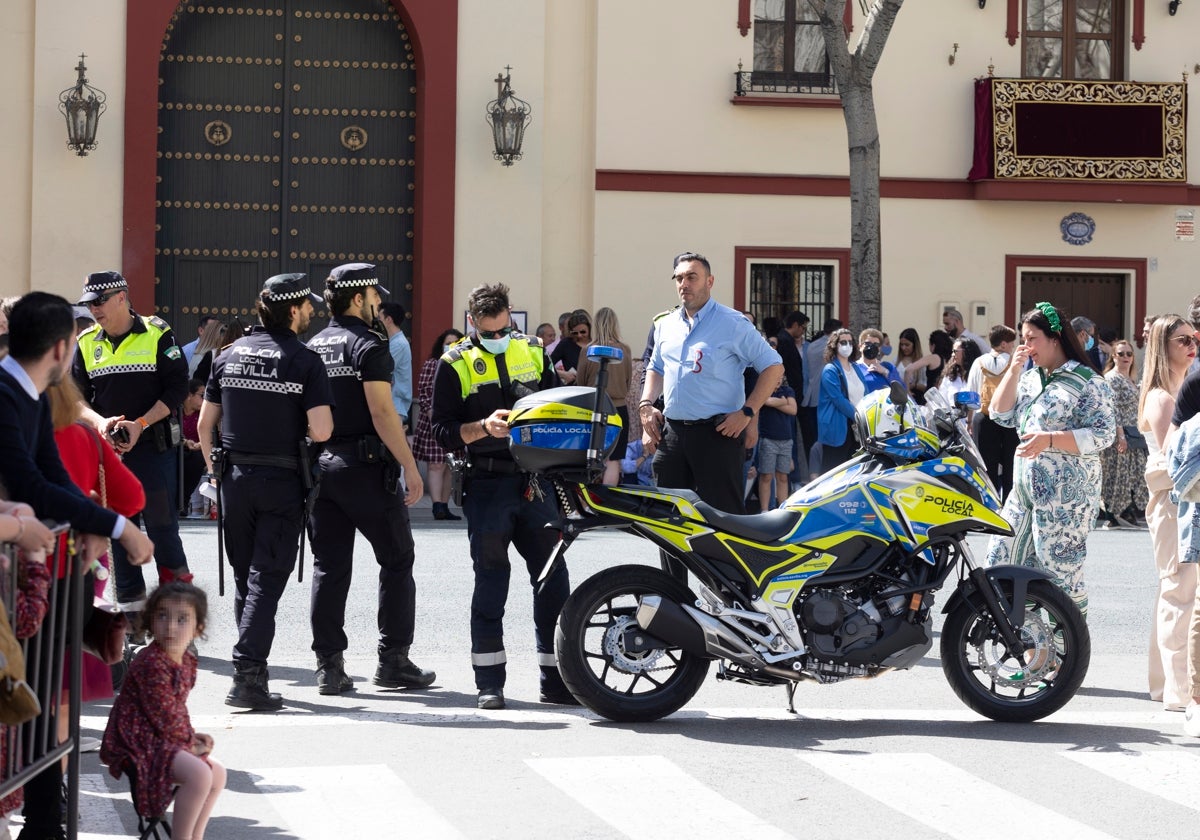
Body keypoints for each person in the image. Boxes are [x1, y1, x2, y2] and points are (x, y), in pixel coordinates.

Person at [0, 291, 153, 840]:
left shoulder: (31, 396)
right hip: (13, 572)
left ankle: (43, 824)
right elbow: (31, 485)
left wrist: (97, 521)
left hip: (33, 576)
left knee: (41, 709)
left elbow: (54, 483)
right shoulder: (6, 394)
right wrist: (120, 526)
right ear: (63, 348)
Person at [430, 282, 574, 711]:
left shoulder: (531, 349)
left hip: (534, 482)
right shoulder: (453, 363)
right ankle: (489, 683)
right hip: (486, 483)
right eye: (488, 333)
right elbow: (440, 431)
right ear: (471, 322)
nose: (498, 339)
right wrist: (480, 428)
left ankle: (557, 679)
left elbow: (556, 407)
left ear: (510, 315)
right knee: (491, 583)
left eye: (503, 330)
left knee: (553, 581)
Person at [198, 273, 334, 710]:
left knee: (246, 578)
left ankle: (250, 671)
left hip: (234, 480)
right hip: (281, 482)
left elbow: (204, 426)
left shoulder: (227, 355)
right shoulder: (305, 361)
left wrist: (214, 474)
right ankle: (248, 676)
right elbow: (322, 429)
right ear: (293, 310)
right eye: (308, 306)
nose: (313, 312)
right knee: (266, 580)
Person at [306, 263, 431, 696]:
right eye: (375, 295)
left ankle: (329, 667)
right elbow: (381, 412)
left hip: (323, 468)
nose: (379, 302)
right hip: (365, 468)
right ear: (359, 298)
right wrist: (410, 465)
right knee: (397, 560)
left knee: (330, 567)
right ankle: (393, 661)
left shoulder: (315, 345)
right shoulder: (370, 343)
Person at [74, 271, 191, 629]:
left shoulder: (158, 333)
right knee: (118, 531)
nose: (94, 310)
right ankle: (133, 623)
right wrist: (102, 422)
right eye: (89, 304)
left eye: (99, 302)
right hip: (109, 454)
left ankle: (179, 619)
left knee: (162, 529)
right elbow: (76, 400)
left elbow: (176, 391)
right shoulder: (85, 342)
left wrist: (139, 425)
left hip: (152, 451)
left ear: (122, 297)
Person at [985, 302, 1116, 615]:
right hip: (1024, 495)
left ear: (1054, 339)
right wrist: (1014, 370)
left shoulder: (1088, 381)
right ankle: (1031, 654)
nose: (1025, 346)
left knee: (1061, 578)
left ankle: (1066, 656)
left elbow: (1103, 433)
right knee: (1000, 563)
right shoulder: (1030, 378)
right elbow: (1000, 415)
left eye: (1032, 339)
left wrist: (1051, 440)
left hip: (1066, 501)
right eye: (1023, 338)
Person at [638, 252, 783, 517]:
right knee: (667, 520)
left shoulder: (733, 323)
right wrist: (646, 405)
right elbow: (655, 368)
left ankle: (724, 562)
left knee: (723, 520)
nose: (684, 284)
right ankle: (674, 562)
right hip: (673, 434)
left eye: (692, 277)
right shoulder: (665, 325)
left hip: (718, 435)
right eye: (679, 278)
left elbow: (773, 367)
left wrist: (748, 413)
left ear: (710, 281)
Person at [49, 374, 146, 751]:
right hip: (70, 571)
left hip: (24, 572)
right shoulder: (79, 437)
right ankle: (52, 795)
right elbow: (132, 497)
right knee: (58, 681)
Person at [100, 582, 226, 840]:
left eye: (182, 619)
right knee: (200, 774)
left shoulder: (186, 659)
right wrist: (189, 743)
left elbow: (176, 709)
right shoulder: (152, 662)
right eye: (162, 616)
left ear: (197, 628)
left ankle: (194, 836)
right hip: (135, 742)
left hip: (157, 736)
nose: (170, 627)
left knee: (217, 772)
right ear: (150, 621)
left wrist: (191, 736)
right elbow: (164, 715)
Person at [1139, 315, 1195, 714]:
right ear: (1164, 346)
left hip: (1180, 499)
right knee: (1177, 591)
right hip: (1173, 500)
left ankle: (1162, 684)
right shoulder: (1161, 397)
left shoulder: (1181, 387)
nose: (1193, 344)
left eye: (1195, 338)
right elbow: (1174, 460)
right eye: (1183, 340)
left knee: (1174, 591)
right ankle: (1176, 689)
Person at [413, 328, 465, 521]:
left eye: (454, 343)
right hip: (433, 422)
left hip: (455, 421)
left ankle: (445, 505)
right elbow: (424, 391)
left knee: (451, 465)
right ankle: (437, 506)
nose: (449, 346)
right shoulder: (432, 363)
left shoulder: (463, 363)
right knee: (436, 465)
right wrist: (431, 413)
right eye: (447, 342)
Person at [576, 307, 632, 485]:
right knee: (613, 460)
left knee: (589, 457)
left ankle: (586, 504)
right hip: (619, 409)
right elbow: (628, 382)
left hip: (593, 409)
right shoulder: (625, 350)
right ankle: (609, 504)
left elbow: (580, 383)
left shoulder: (588, 350)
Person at [1098, 339, 1148, 529]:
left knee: (1134, 475)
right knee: (1117, 476)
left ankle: (1128, 512)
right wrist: (1120, 436)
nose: (1126, 357)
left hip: (1134, 435)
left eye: (1129, 353)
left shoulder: (1130, 378)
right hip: (1120, 435)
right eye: (1121, 353)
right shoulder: (1112, 378)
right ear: (1113, 356)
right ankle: (1114, 515)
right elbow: (1113, 408)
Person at [968, 325, 1019, 500]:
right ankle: (1010, 504)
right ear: (1004, 344)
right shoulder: (1015, 362)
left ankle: (990, 503)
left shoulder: (979, 362)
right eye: (1012, 343)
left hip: (984, 418)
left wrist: (969, 422)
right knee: (1011, 465)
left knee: (986, 466)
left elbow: (972, 394)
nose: (1013, 347)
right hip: (1010, 418)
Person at [817, 328, 867, 474]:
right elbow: (838, 399)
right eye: (843, 342)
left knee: (854, 470)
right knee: (833, 471)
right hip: (838, 426)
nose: (847, 346)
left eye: (850, 342)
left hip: (857, 427)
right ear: (834, 345)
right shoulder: (830, 369)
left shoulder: (856, 368)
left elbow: (866, 392)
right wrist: (858, 416)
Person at [755, 378, 797, 509]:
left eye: (780, 376)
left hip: (786, 440)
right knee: (766, 476)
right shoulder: (764, 390)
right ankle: (764, 510)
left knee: (783, 477)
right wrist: (784, 401)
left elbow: (793, 409)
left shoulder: (788, 390)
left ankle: (782, 508)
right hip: (768, 439)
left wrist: (778, 403)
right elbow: (767, 401)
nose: (778, 379)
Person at [377, 301, 413, 427]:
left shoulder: (398, 344)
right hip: (392, 406)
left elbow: (379, 368)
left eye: (379, 318)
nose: (376, 322)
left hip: (394, 406)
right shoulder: (393, 342)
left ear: (388, 320)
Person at [181, 380, 209, 518]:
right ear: (189, 396)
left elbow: (212, 436)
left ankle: (184, 500)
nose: (204, 399)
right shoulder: (175, 412)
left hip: (200, 451)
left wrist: (200, 444)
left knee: (195, 460)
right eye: (201, 395)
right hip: (180, 448)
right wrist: (186, 442)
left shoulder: (204, 414)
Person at [550, 309, 591, 384]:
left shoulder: (596, 344)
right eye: (575, 332)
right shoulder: (566, 344)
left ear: (590, 329)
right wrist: (562, 374)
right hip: (573, 388)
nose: (579, 335)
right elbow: (546, 365)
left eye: (583, 332)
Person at [855, 328, 903, 394]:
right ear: (860, 346)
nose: (871, 347)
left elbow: (902, 389)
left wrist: (885, 372)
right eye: (868, 343)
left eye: (876, 344)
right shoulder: (853, 368)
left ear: (879, 348)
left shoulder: (888, 367)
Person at [936, 337, 983, 402]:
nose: (952, 354)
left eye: (955, 351)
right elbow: (942, 398)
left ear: (967, 352)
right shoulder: (950, 375)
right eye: (952, 351)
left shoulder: (978, 374)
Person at [894, 327, 926, 395]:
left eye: (907, 345)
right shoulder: (896, 360)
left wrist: (913, 385)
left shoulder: (921, 362)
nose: (903, 348)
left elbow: (926, 385)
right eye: (901, 345)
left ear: (915, 345)